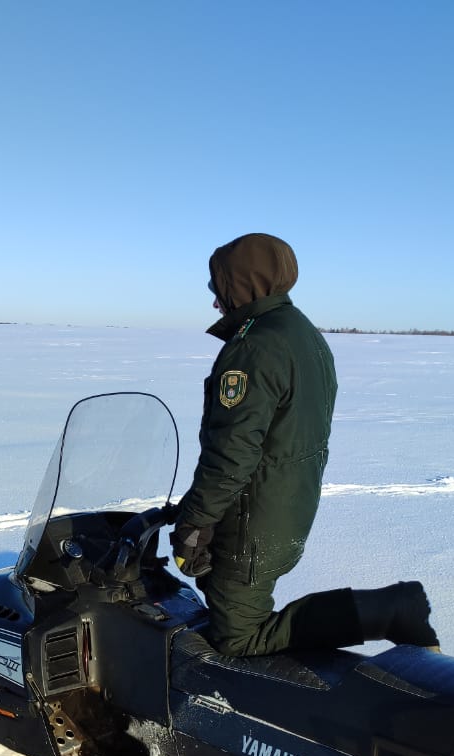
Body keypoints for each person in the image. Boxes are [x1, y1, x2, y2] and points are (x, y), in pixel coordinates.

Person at [169, 233, 438, 657]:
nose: (215, 302)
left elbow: (232, 452)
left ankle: (389, 610)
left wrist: (197, 522)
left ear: (240, 284)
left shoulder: (253, 347)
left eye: (216, 288)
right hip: (287, 508)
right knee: (229, 603)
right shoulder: (302, 334)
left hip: (251, 519)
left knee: (239, 637)